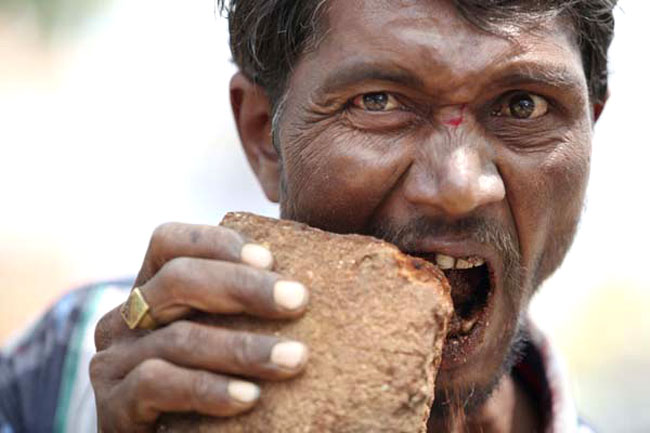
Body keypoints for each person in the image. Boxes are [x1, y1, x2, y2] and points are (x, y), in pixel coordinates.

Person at [0, 0, 617, 431]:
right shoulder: (65, 372)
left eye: (524, 104)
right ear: (264, 135)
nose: (459, 187)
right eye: (378, 101)